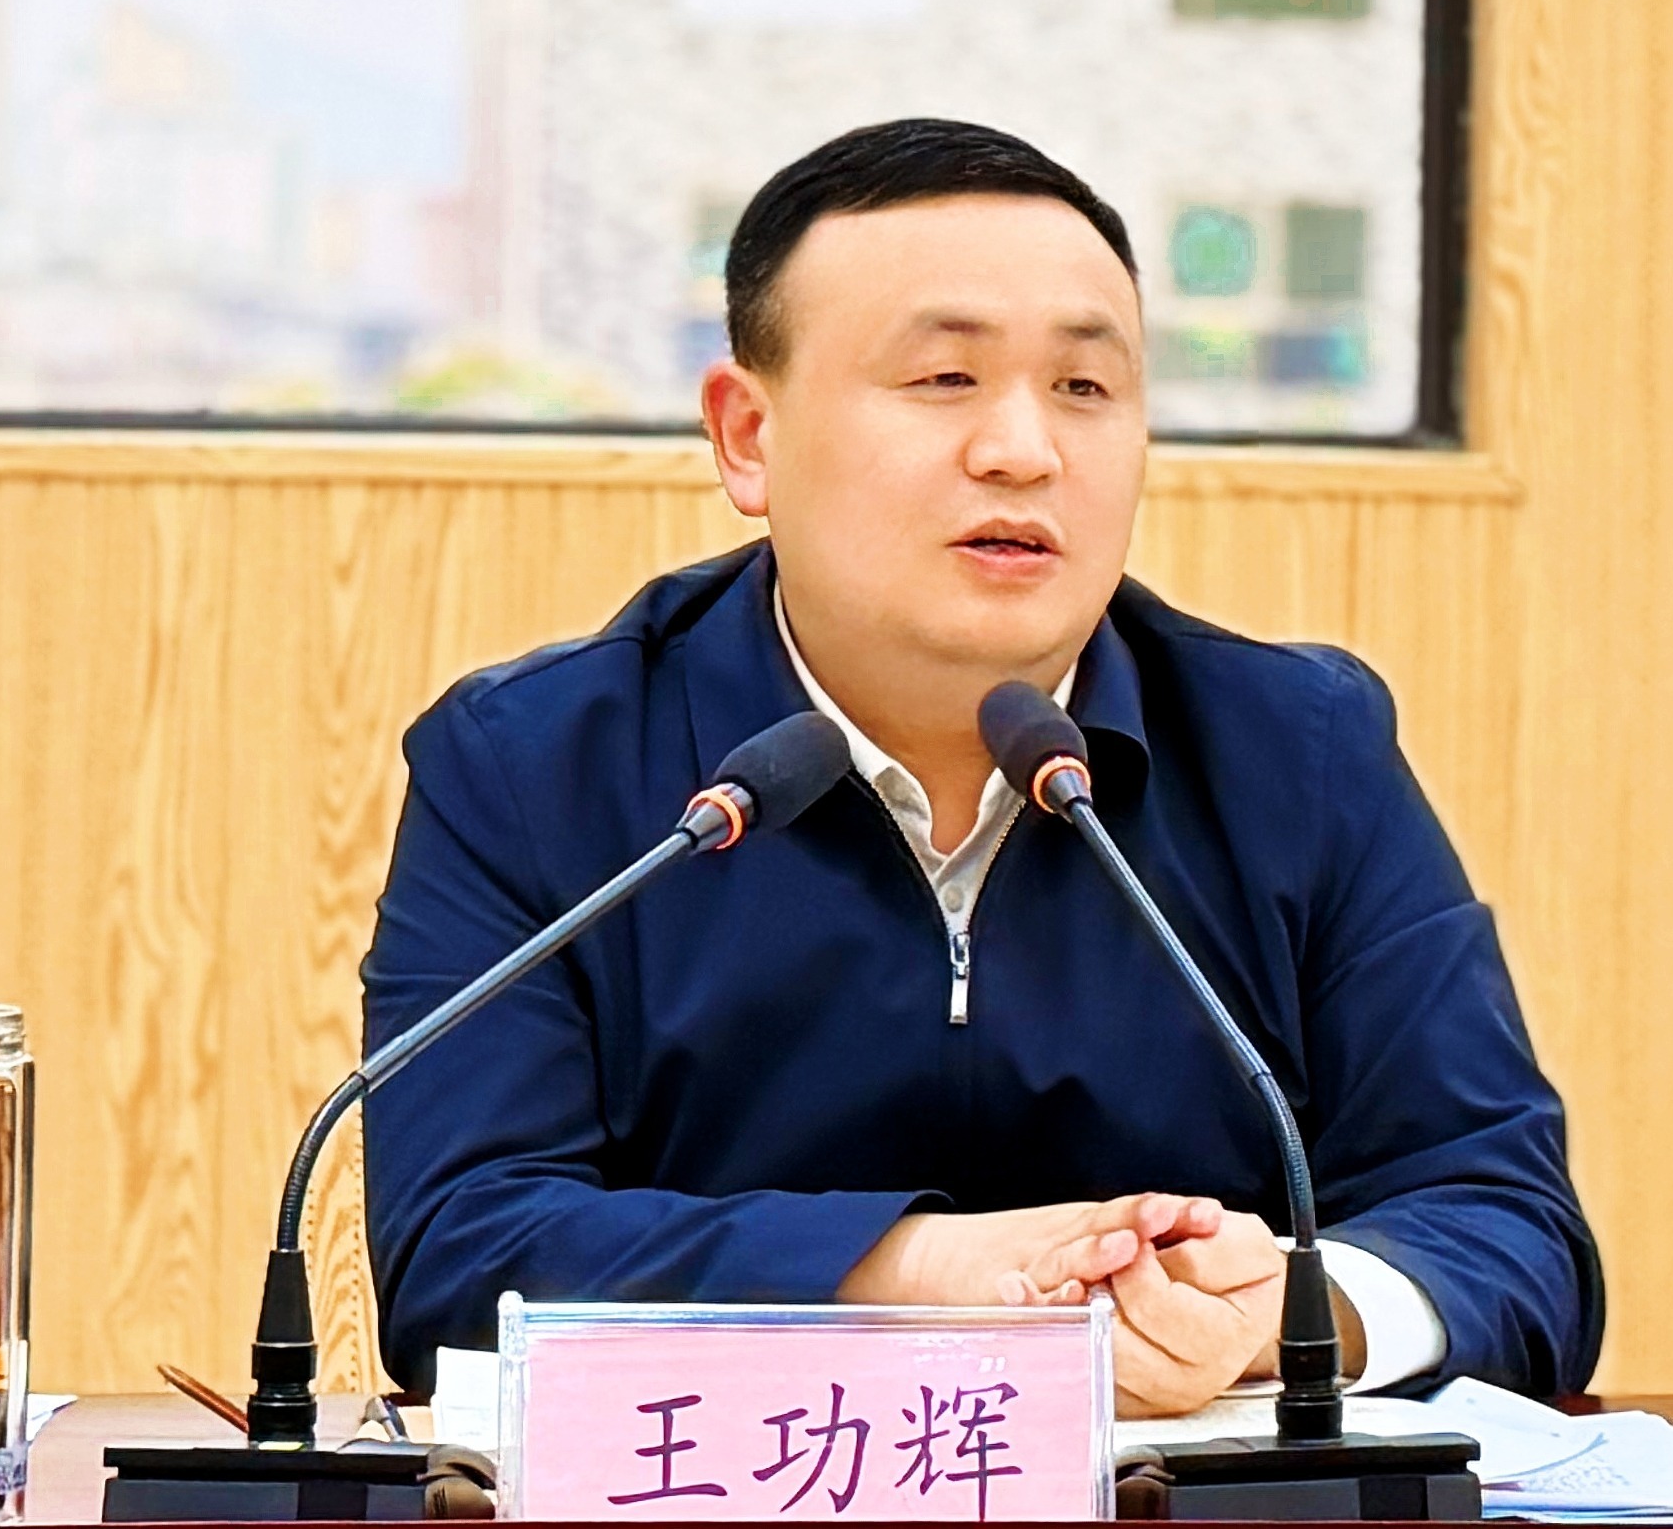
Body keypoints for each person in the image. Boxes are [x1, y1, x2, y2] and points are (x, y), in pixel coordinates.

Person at [361, 117, 1603, 1414]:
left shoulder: (1299, 752)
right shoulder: (533, 766)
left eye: (1085, 388)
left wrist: (1285, 1316)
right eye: (945, 378)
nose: (1025, 450)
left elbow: (1510, 1228)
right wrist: (926, 1272)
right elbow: (460, 1250)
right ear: (749, 435)